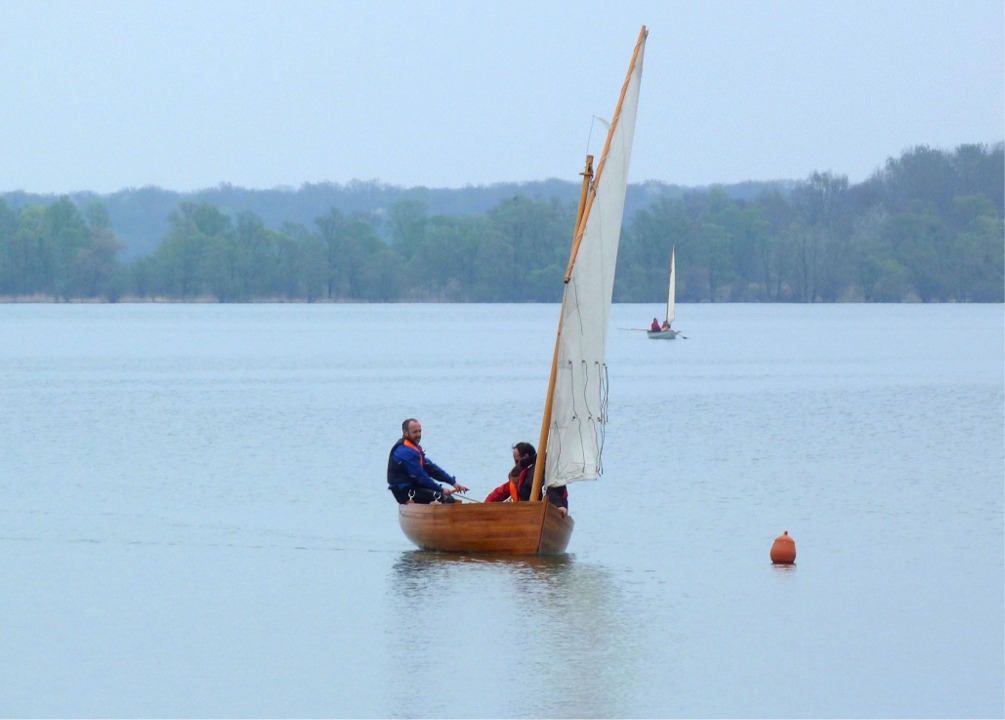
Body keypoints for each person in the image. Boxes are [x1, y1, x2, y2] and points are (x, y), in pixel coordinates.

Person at [387, 418, 469, 504]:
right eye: (415, 432)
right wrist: (440, 489)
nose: (418, 434)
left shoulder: (413, 448)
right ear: (405, 432)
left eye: (420, 431)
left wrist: (453, 483)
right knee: (445, 499)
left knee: (448, 498)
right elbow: (421, 477)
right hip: (404, 492)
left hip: (415, 487)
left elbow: (431, 468)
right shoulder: (404, 451)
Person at [484, 442, 568, 516]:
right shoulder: (519, 476)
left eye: (517, 461)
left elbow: (552, 488)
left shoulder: (538, 471)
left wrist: (558, 506)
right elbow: (499, 493)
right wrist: (483, 507)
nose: (516, 464)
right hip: (526, 517)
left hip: (545, 513)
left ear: (526, 457)